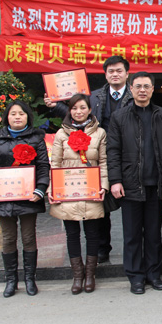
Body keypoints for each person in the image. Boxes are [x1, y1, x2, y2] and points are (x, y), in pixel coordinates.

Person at [44, 55, 132, 265]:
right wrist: (55, 106)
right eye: (111, 71)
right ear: (105, 74)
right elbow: (78, 114)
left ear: (127, 74)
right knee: (101, 204)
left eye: (119, 71)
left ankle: (133, 250)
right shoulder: (94, 97)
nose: (115, 74)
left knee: (131, 206)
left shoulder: (135, 94)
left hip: (128, 157)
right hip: (98, 157)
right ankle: (102, 248)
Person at [0, 100, 50, 298]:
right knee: (8, 238)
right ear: (6, 117)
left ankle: (30, 279)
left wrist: (40, 189)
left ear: (28, 117)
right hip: (3, 198)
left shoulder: (36, 139)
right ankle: (11, 280)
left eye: (21, 113)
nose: (17, 117)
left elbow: (43, 167)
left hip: (28, 197)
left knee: (28, 238)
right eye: (13, 114)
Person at [107, 71, 162, 295]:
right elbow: (112, 151)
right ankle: (135, 276)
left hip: (156, 184)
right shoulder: (119, 117)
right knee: (132, 234)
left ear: (153, 89)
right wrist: (115, 180)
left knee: (153, 233)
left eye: (146, 86)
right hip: (130, 183)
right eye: (138, 86)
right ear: (131, 89)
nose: (142, 90)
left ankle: (153, 274)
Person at [48, 94, 109, 295]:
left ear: (90, 110)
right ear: (69, 111)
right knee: (72, 234)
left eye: (82, 107)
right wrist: (52, 189)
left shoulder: (99, 133)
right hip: (67, 192)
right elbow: (55, 163)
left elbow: (103, 162)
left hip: (91, 190)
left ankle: (90, 275)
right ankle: (77, 276)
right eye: (74, 108)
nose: (78, 111)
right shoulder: (61, 134)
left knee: (93, 234)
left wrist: (103, 186)